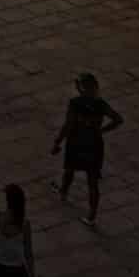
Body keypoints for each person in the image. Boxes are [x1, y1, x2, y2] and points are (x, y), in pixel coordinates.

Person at [53, 73, 123, 224]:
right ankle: (91, 215)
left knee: (69, 169)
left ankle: (63, 192)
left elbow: (68, 125)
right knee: (92, 181)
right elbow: (118, 119)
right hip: (94, 144)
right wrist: (102, 130)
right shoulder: (101, 104)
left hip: (76, 142)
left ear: (81, 88)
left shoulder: (75, 103)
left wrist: (57, 142)